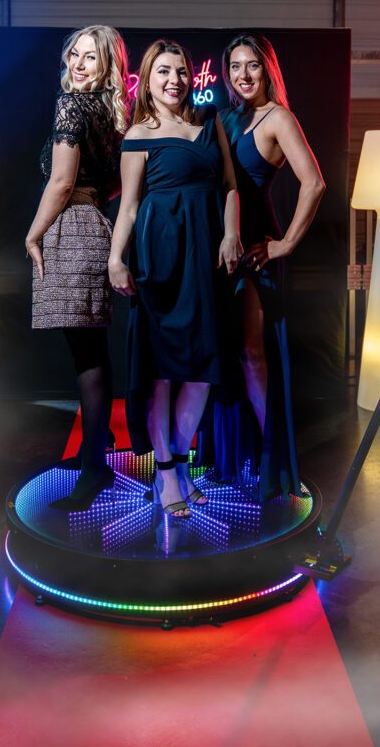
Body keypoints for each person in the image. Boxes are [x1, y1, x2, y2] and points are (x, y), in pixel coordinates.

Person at [108, 39, 241, 518]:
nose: (174, 80)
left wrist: (231, 234)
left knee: (203, 368)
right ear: (147, 80)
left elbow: (229, 186)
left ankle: (182, 463)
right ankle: (166, 472)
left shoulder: (209, 122)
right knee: (161, 370)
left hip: (205, 256)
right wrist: (115, 259)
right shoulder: (138, 134)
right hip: (160, 257)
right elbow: (129, 206)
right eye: (163, 71)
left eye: (181, 71)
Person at [215, 32, 325, 500]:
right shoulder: (225, 117)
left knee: (252, 354)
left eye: (252, 65)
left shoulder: (278, 118)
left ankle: (271, 461)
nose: (243, 75)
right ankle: (231, 458)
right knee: (227, 355)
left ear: (267, 70)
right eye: (235, 66)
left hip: (255, 248)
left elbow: (314, 183)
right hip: (220, 250)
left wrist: (285, 245)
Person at [25, 25, 130, 510]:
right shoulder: (111, 112)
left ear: (107, 64)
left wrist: (33, 234)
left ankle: (94, 468)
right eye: (74, 55)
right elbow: (117, 181)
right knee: (91, 352)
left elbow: (62, 182)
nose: (79, 64)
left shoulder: (71, 105)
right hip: (95, 227)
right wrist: (93, 199)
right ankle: (96, 447)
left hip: (71, 229)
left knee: (87, 356)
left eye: (90, 57)